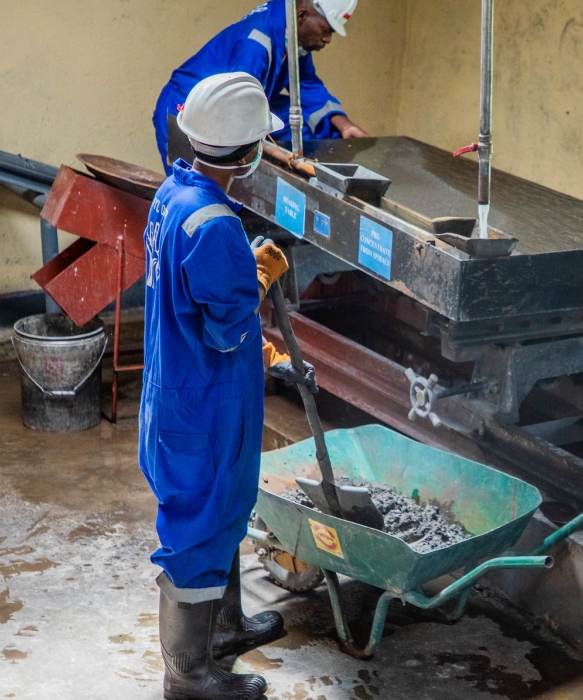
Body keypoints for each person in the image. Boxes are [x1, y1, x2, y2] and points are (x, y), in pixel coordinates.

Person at [139, 72, 317, 700]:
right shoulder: (215, 226)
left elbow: (188, 297)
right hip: (205, 408)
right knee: (199, 530)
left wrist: (243, 268)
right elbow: (222, 329)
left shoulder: (174, 195)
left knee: (225, 517)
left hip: (180, 391)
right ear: (249, 154)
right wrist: (257, 279)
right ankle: (189, 676)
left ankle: (225, 630)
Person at [152, 0, 367, 174]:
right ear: (302, 16)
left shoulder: (289, 33)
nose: (327, 39)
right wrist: (277, 154)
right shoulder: (256, 45)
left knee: (311, 120)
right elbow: (238, 106)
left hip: (229, 106)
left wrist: (345, 126)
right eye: (326, 30)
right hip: (187, 107)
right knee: (196, 189)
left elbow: (305, 83)